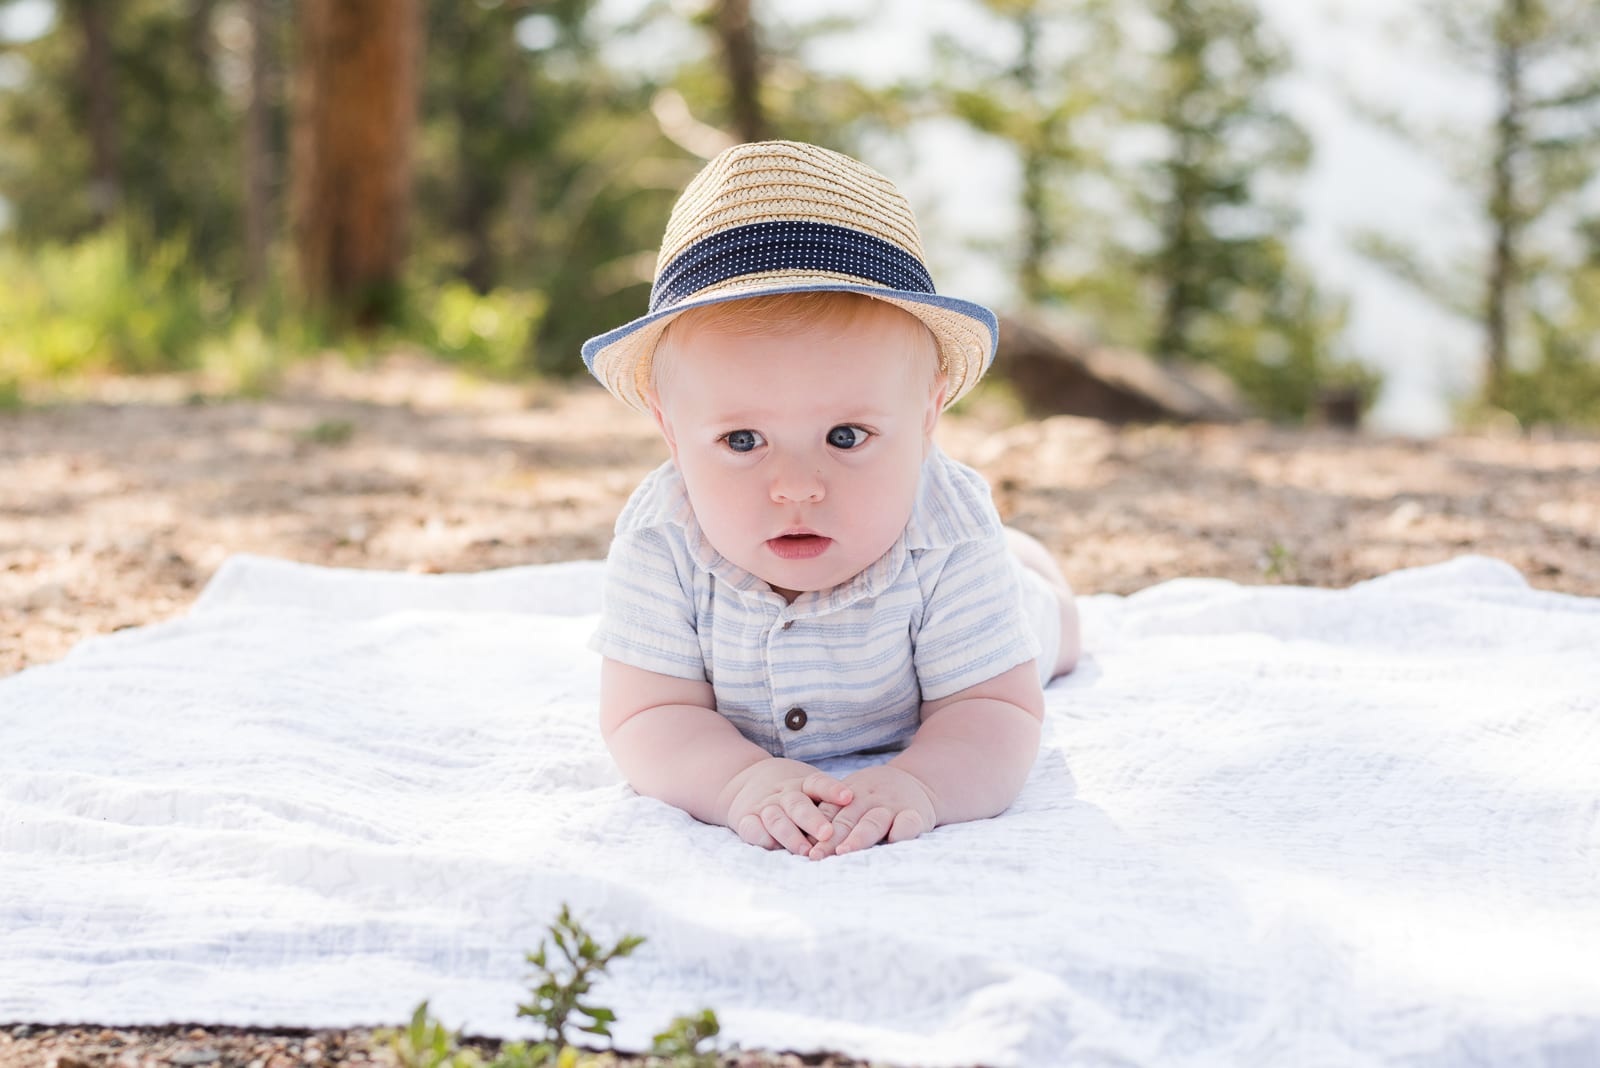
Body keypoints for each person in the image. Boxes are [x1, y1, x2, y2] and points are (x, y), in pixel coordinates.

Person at [582, 140, 1079, 861]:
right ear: (669, 429)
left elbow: (993, 710)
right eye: (743, 440)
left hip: (990, 622)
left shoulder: (948, 536)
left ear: (928, 415)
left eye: (845, 436)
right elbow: (647, 714)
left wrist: (925, 784)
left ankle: (1037, 572)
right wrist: (736, 780)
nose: (797, 486)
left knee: (1051, 626)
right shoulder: (662, 538)